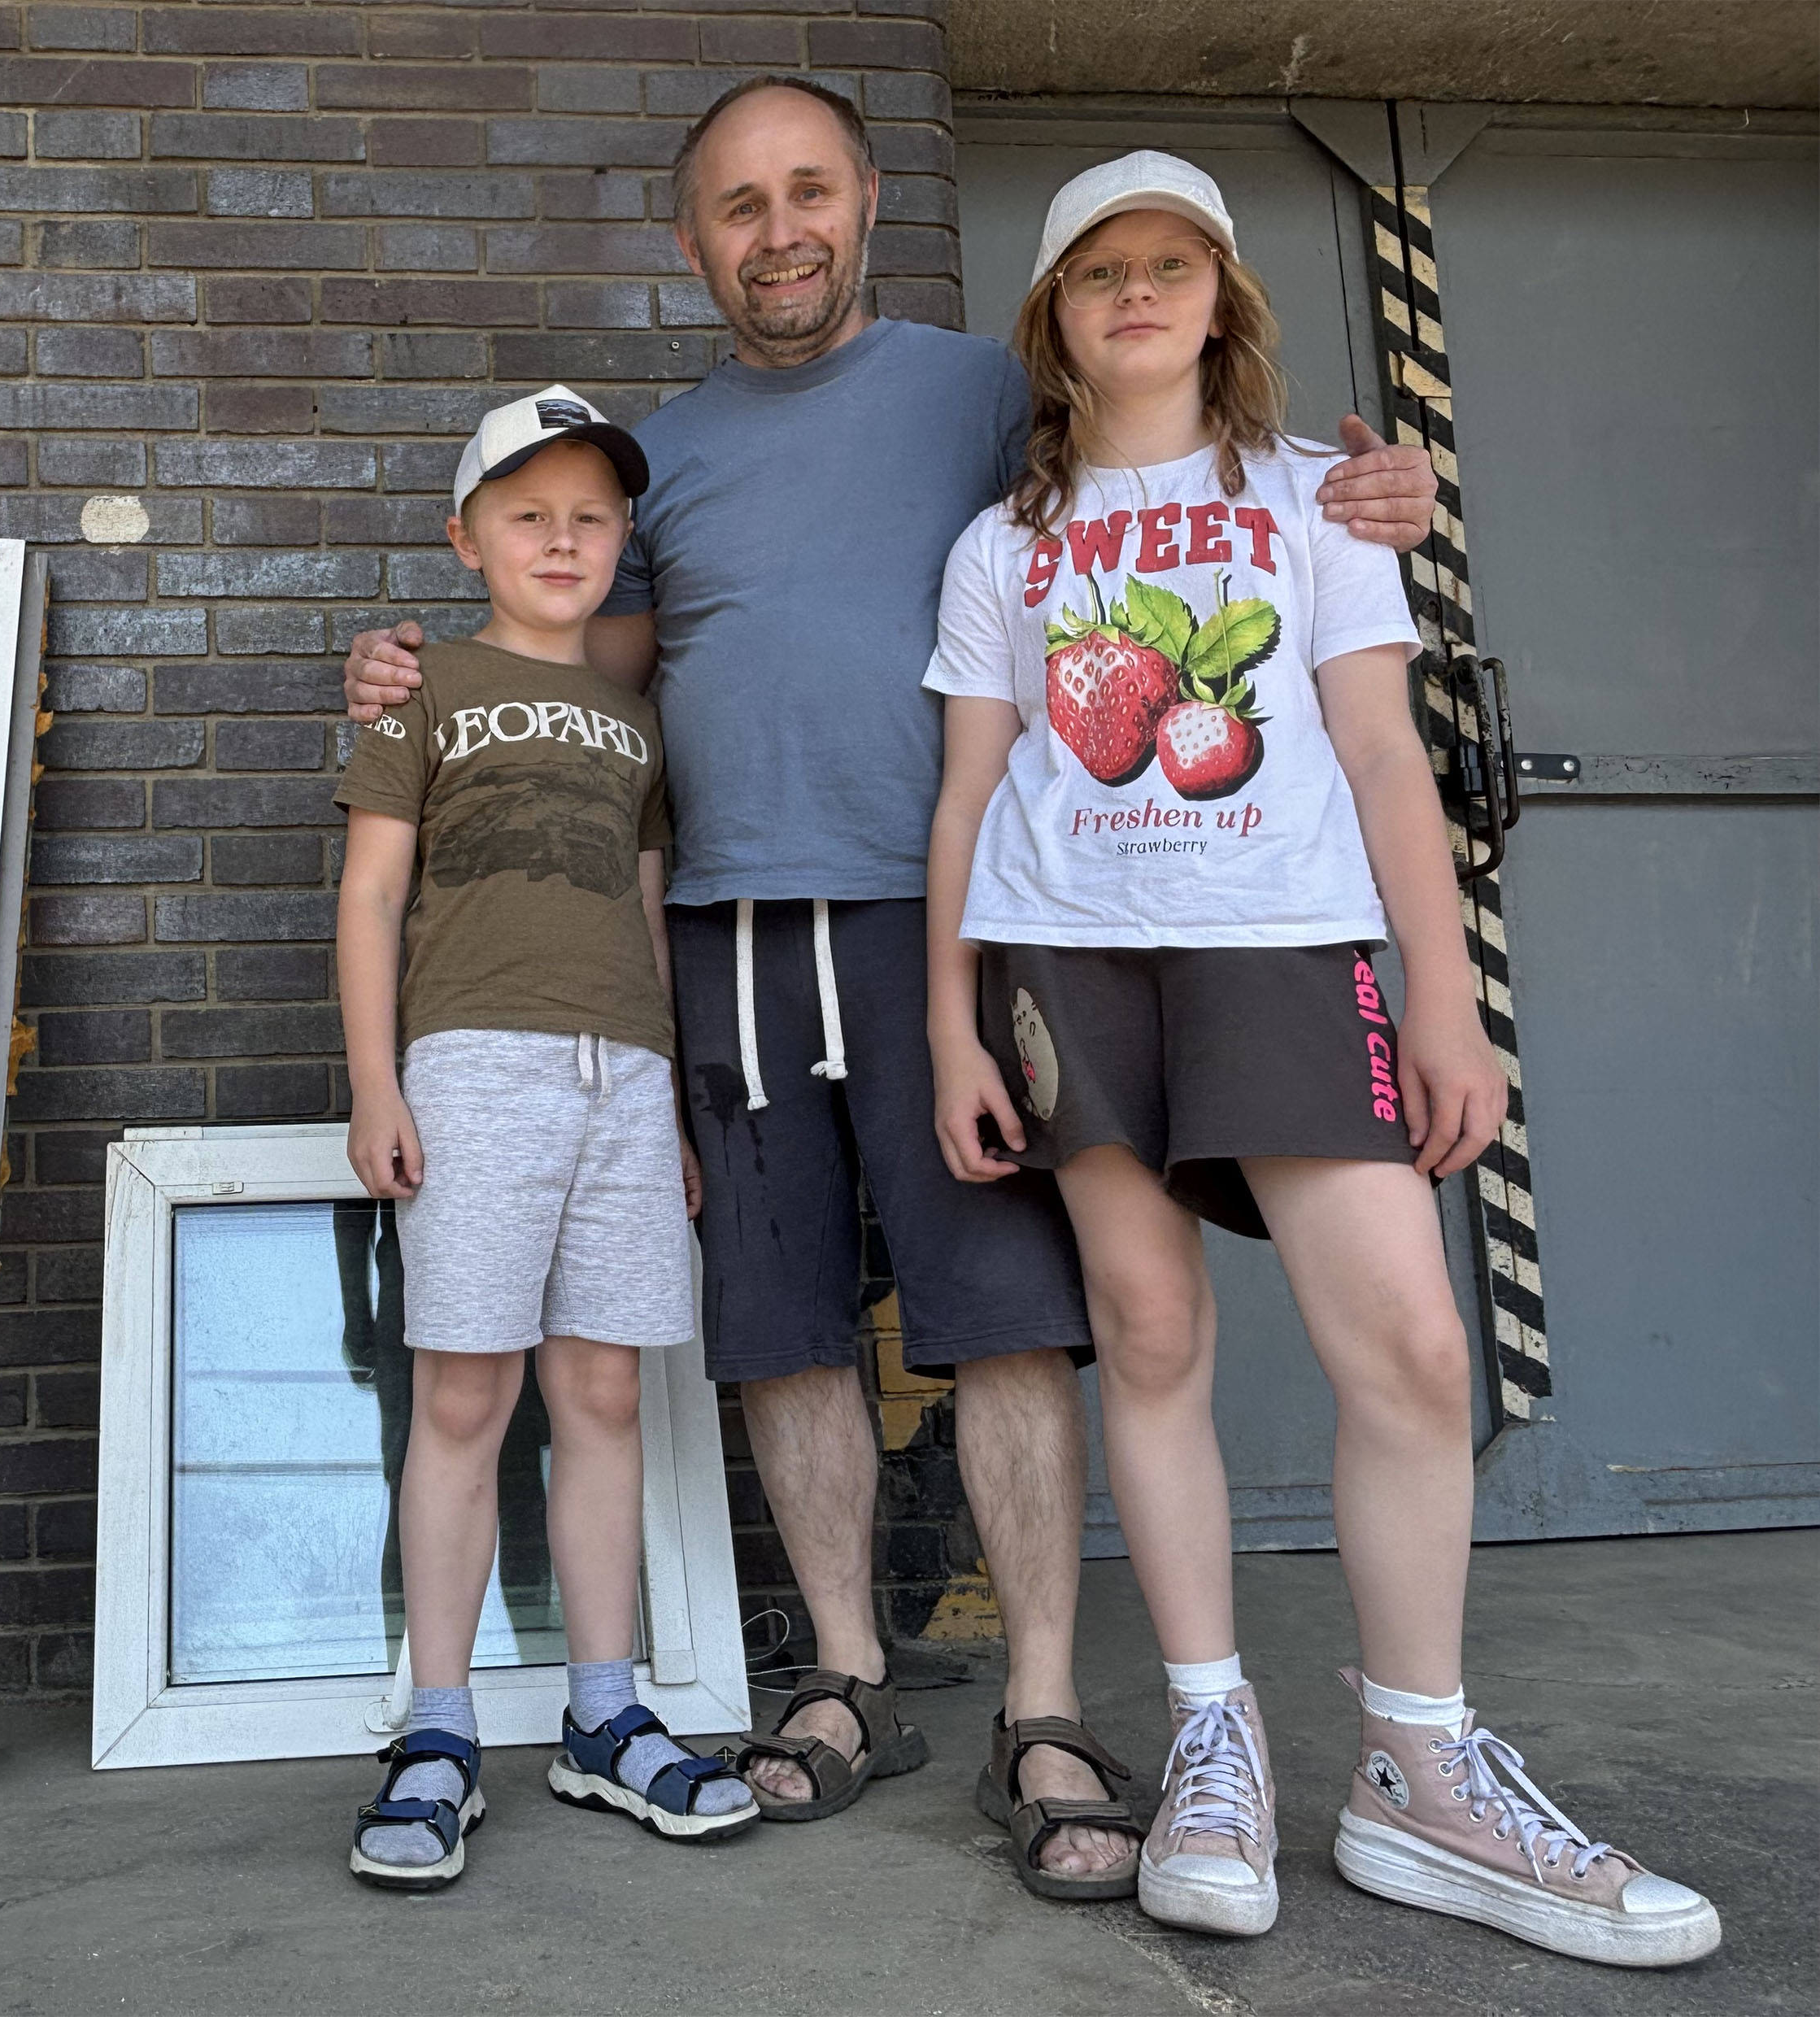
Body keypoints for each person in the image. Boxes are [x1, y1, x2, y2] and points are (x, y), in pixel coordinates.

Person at [346, 77, 1442, 1897]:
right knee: (783, 1322)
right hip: (726, 925)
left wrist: (1367, 485)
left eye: (807, 192)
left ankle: (1043, 1703)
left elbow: (1164, 436)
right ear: (690, 241)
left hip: (964, 923)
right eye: (737, 205)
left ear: (864, 202)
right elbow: (582, 656)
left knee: (1005, 1308)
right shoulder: (659, 458)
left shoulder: (978, 392)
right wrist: (418, 671)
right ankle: (846, 1678)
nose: (777, 232)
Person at [922, 149, 1720, 1966]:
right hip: (1067, 953)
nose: (1136, 294)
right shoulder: (1000, 545)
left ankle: (1418, 1769)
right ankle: (1213, 1736)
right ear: (1051, 318)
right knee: (1148, 1334)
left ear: (1222, 299)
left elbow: (1376, 755)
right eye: (1099, 271)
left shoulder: (1315, 500)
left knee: (1415, 1348)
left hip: (1286, 948)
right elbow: (968, 794)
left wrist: (1444, 996)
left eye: (1170, 265)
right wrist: (949, 1020)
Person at [335, 386, 760, 1891]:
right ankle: (437, 1731)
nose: (562, 540)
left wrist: (672, 1099)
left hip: (622, 1083)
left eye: (590, 517)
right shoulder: (423, 687)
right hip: (472, 1071)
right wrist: (376, 1085)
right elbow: (373, 895)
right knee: (465, 1395)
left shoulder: (638, 723)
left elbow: (645, 916)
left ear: (624, 537)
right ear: (469, 541)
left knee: (602, 1390)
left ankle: (602, 1712)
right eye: (527, 516)